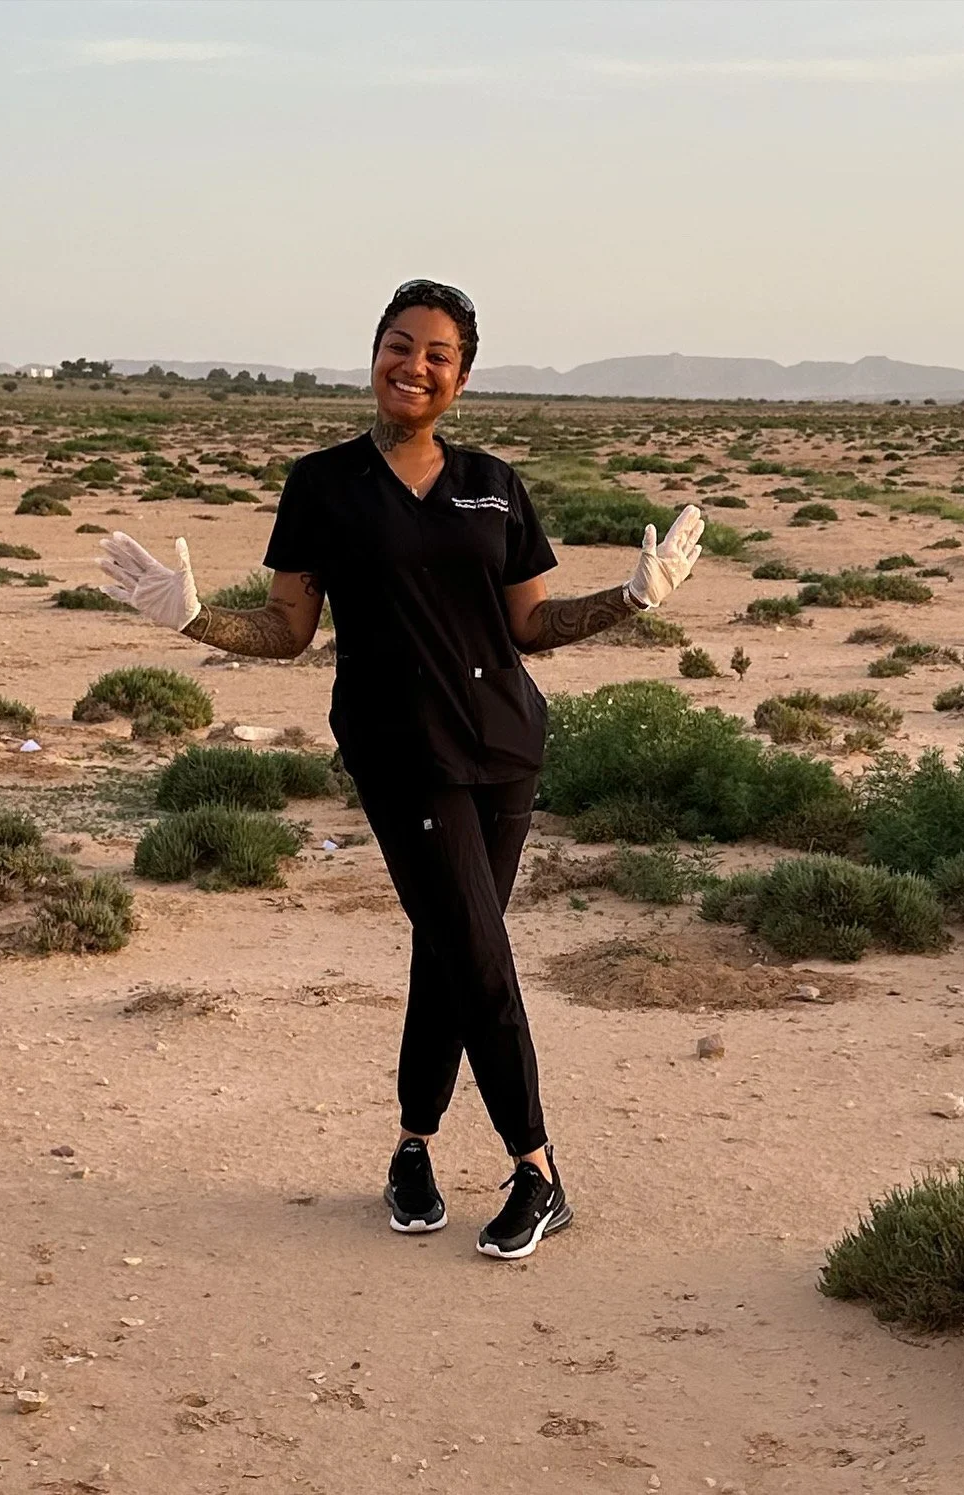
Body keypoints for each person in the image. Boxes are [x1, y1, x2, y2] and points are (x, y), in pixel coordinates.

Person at [97, 279, 704, 1260]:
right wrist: (192, 618)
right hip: (398, 749)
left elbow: (528, 625)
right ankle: (537, 1167)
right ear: (372, 352)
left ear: (460, 377)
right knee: (475, 944)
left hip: (505, 743)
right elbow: (290, 630)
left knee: (450, 944)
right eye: (398, 344)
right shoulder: (323, 485)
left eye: (436, 354)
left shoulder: (493, 482)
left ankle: (412, 1147)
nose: (412, 365)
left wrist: (632, 597)